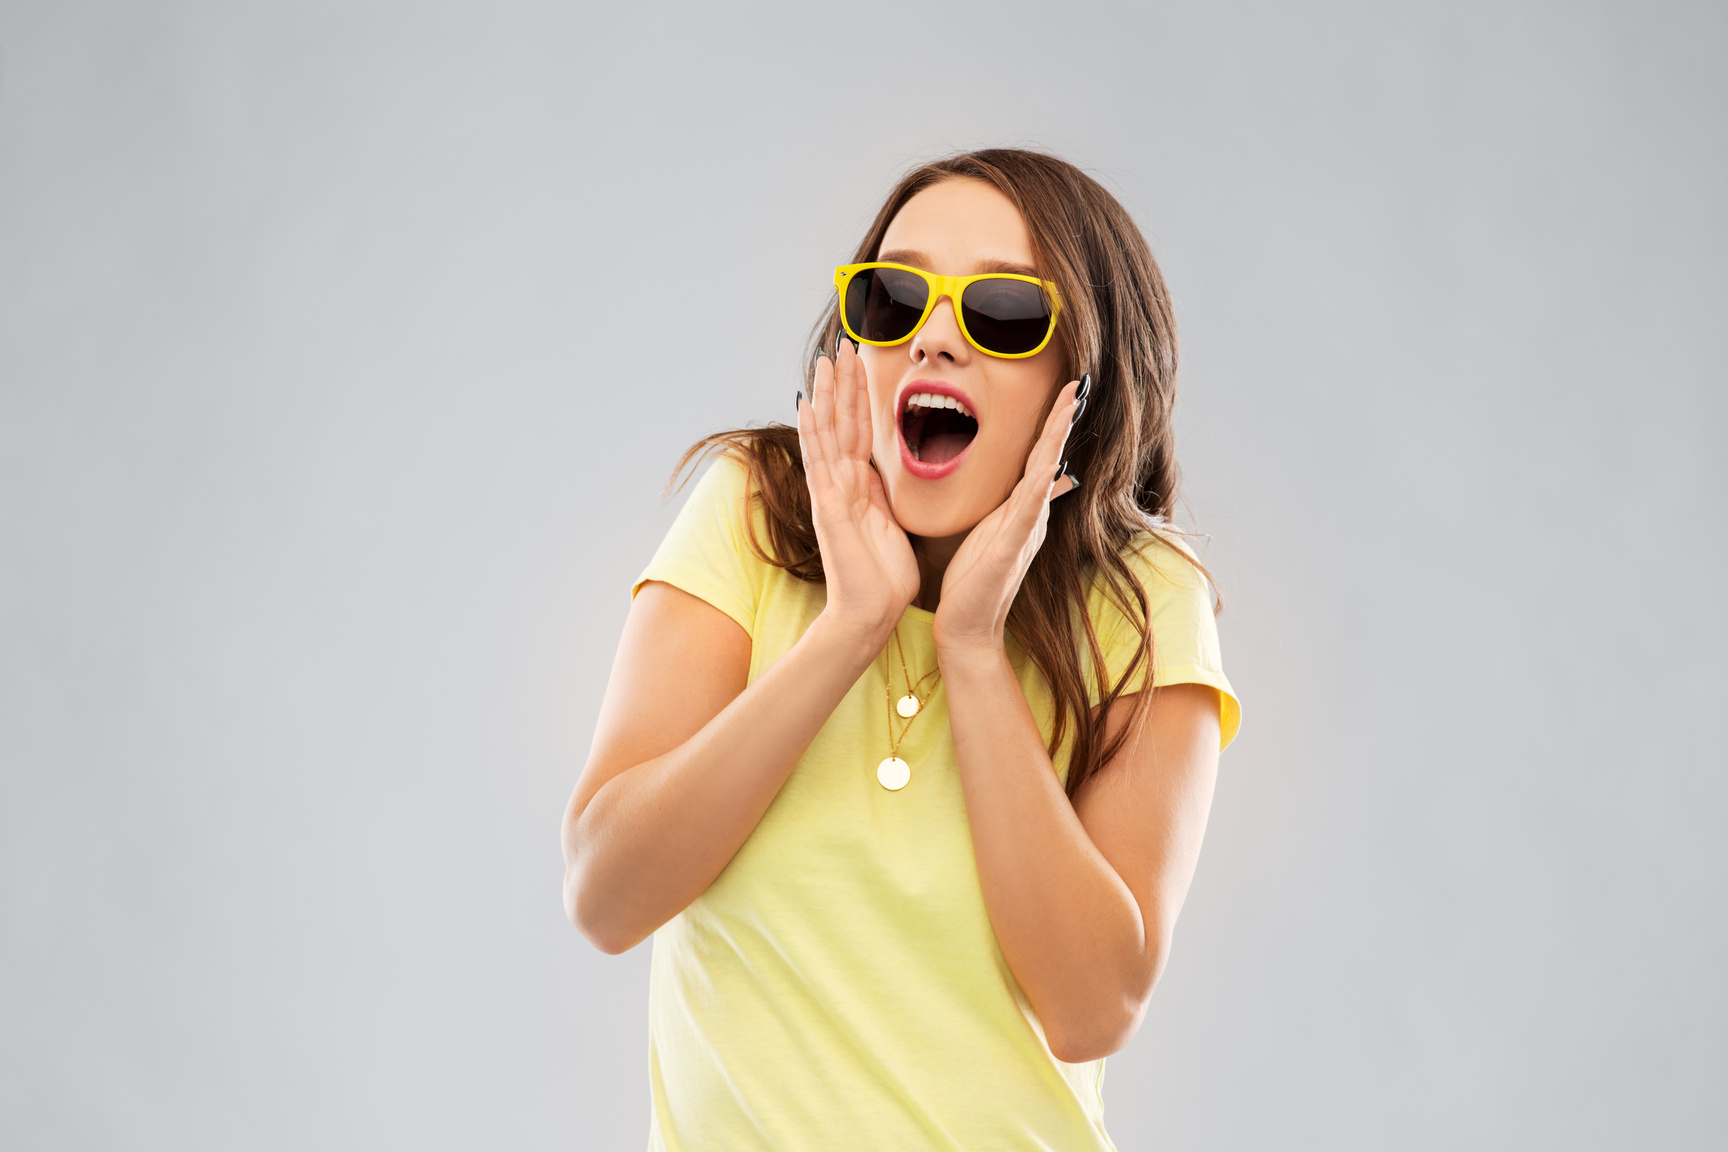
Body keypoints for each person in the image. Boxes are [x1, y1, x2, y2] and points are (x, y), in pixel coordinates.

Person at [561, 148, 1242, 1150]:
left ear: (1082, 386)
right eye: (894, 299)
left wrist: (970, 648)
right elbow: (608, 895)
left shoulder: (1143, 603)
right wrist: (849, 630)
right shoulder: (753, 507)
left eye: (1002, 315)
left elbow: (1092, 1005)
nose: (933, 340)